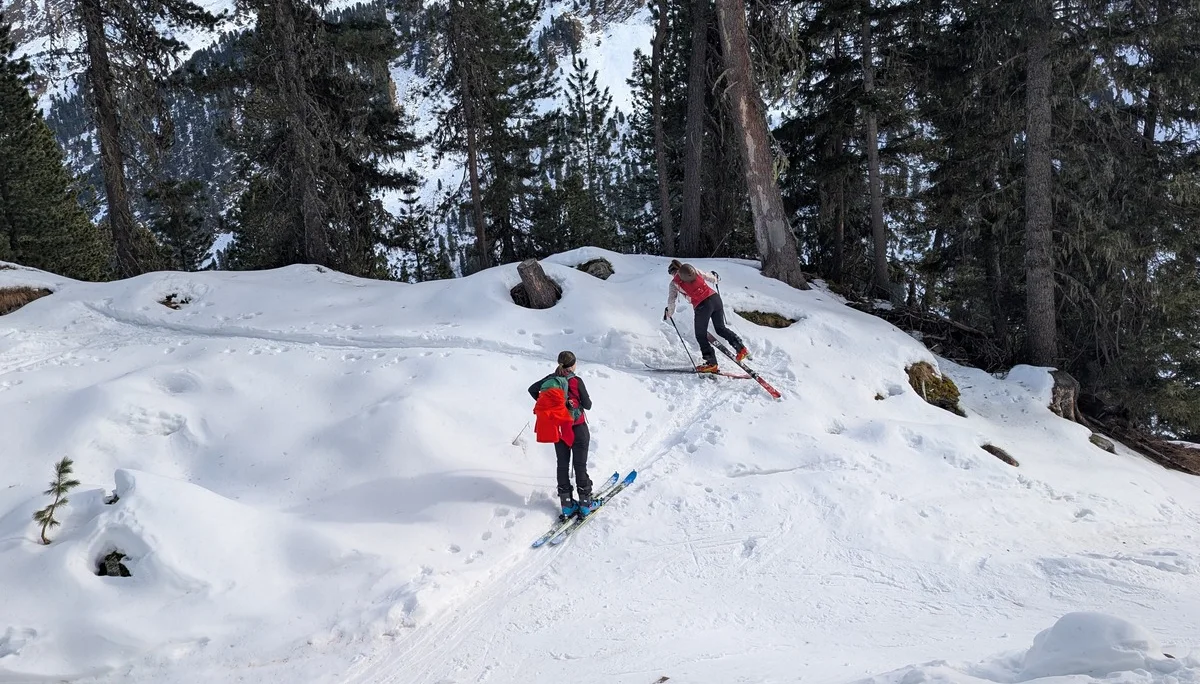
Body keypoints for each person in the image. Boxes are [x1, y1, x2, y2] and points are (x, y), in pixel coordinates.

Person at [528, 351, 596, 519]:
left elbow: (532, 390)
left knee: (562, 465)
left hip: (559, 430)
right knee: (580, 466)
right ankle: (585, 504)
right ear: (573, 364)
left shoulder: (551, 379)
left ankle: (567, 505)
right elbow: (588, 405)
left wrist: (552, 407)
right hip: (577, 429)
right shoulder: (576, 381)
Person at [664, 259, 750, 373]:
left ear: (672, 272)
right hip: (715, 298)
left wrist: (669, 313)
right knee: (720, 328)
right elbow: (709, 277)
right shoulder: (693, 270)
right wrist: (716, 278)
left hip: (702, 306)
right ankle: (741, 348)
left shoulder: (674, 283)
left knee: (700, 335)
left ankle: (711, 363)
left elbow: (672, 300)